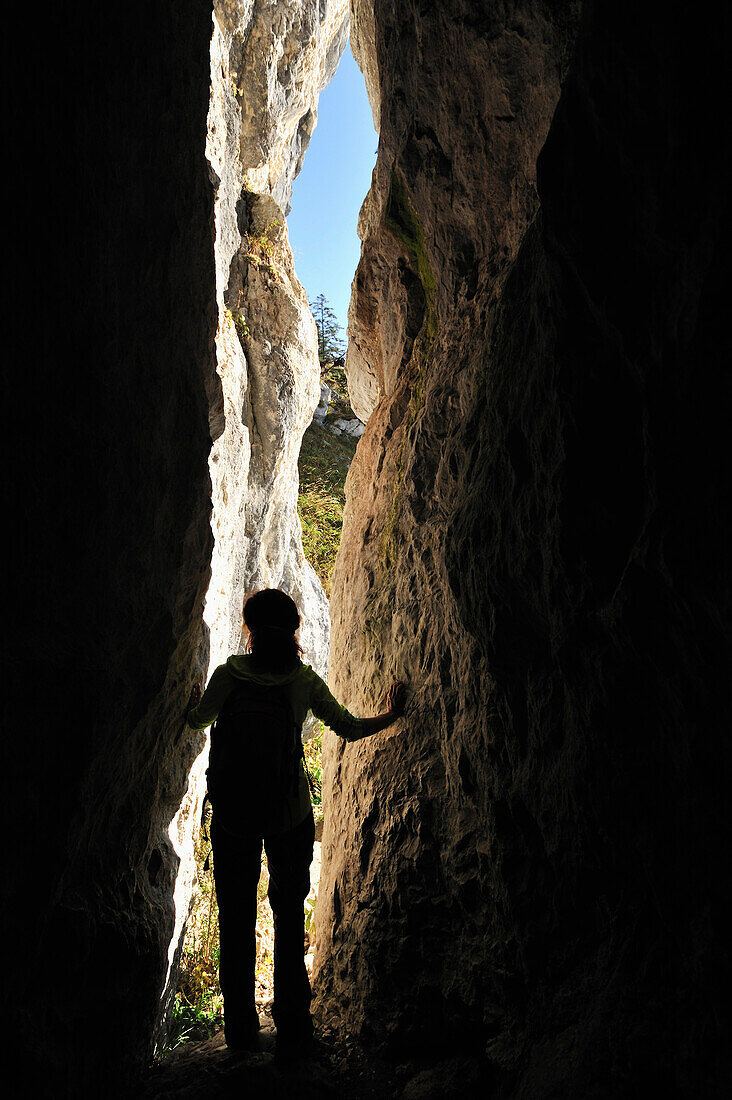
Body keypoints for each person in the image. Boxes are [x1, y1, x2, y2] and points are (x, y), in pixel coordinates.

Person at [187, 588, 406, 1060]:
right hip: (289, 817)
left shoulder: (228, 675)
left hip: (233, 819)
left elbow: (196, 720)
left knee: (236, 921)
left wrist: (186, 700)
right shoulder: (303, 681)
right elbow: (347, 726)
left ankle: (242, 1031)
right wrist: (391, 714)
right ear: (294, 632)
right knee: (288, 920)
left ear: (248, 628)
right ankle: (293, 1027)